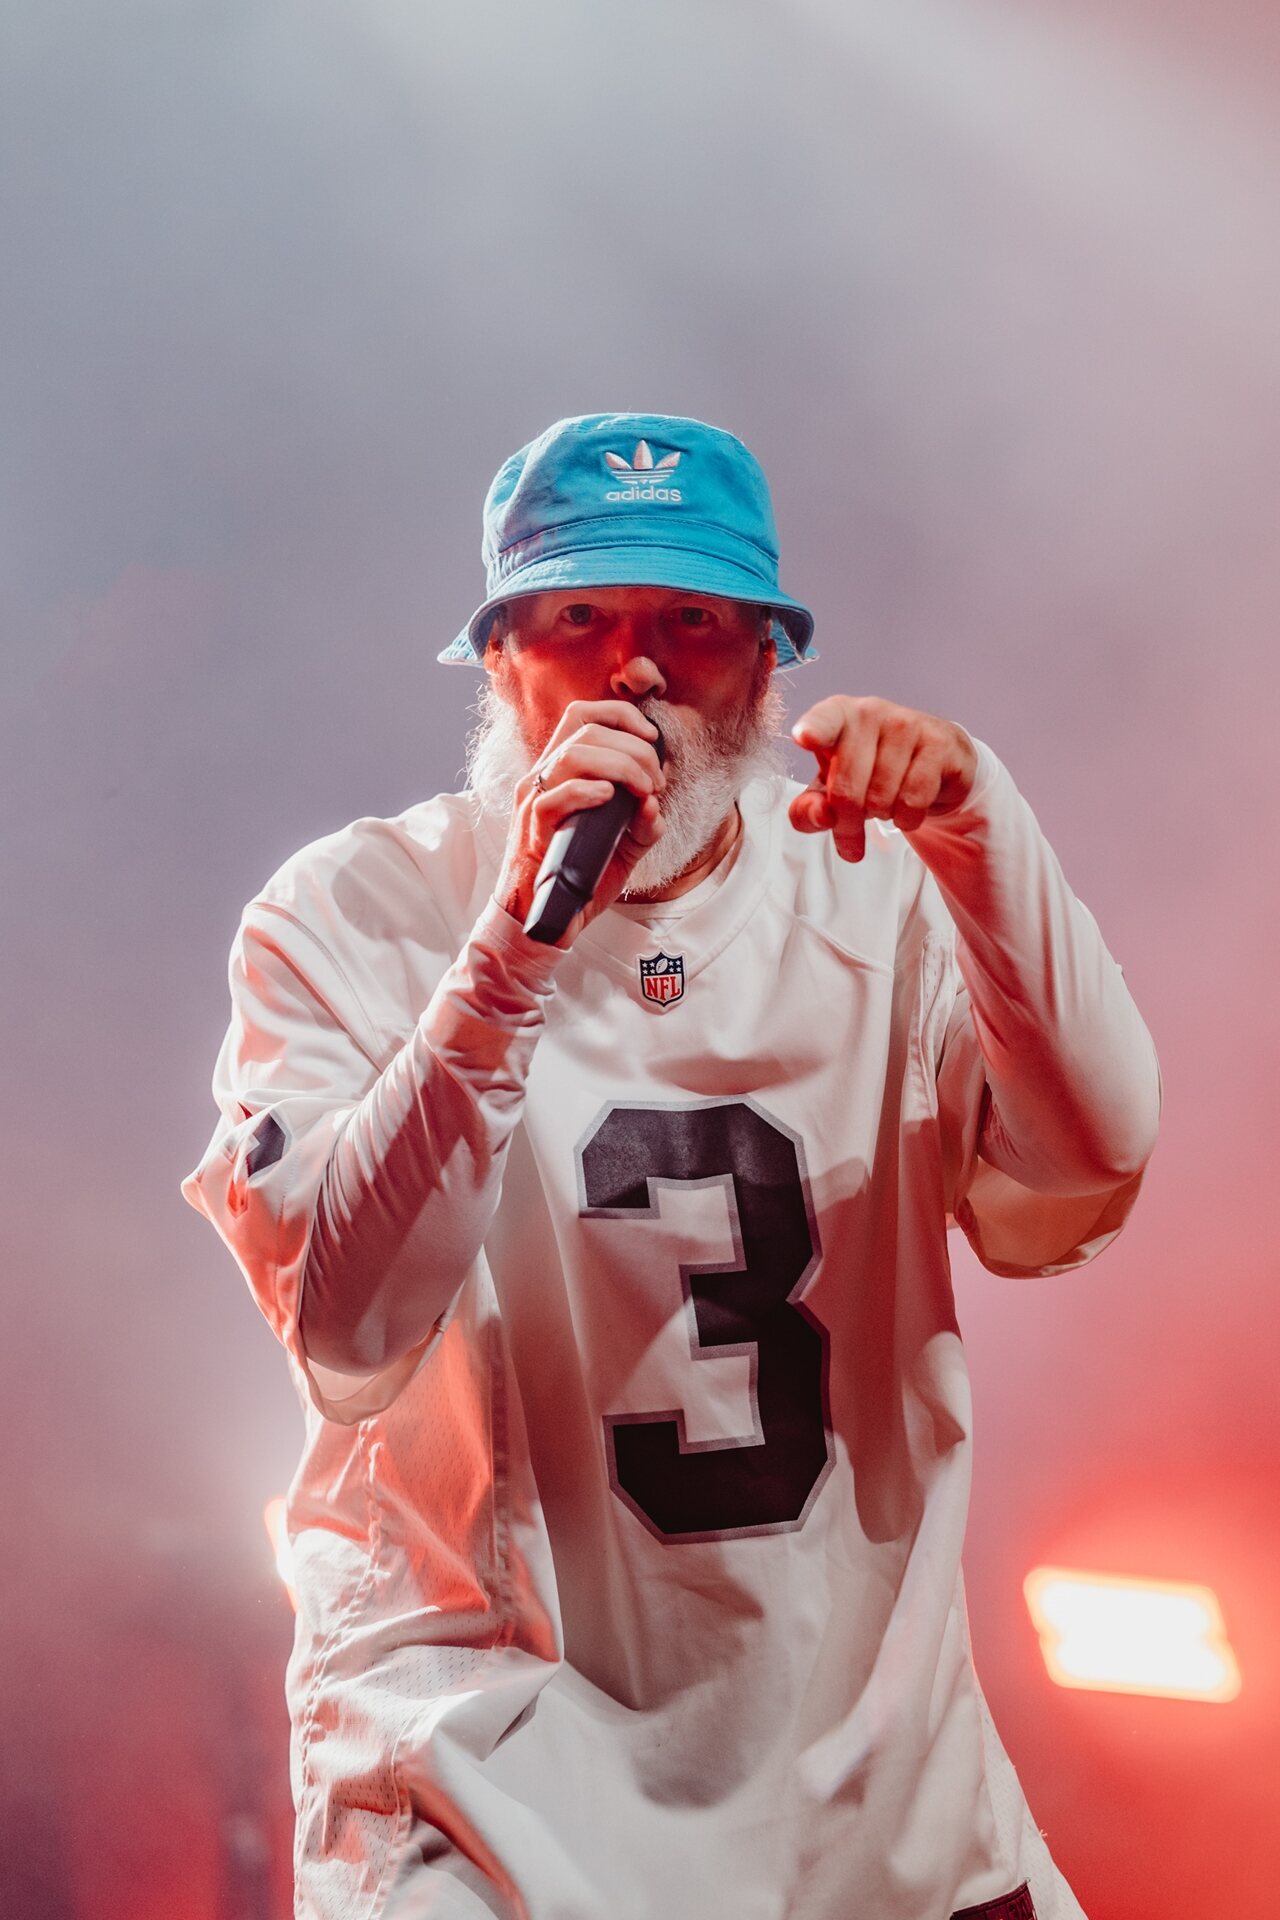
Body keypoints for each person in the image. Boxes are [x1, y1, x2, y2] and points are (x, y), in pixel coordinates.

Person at [183, 412, 1160, 1920]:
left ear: (768, 662)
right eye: (581, 616)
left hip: (874, 1809)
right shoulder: (348, 915)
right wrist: (514, 947)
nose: (635, 667)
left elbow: (1090, 1172)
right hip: (496, 1809)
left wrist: (986, 836)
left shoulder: (878, 886)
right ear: (500, 657)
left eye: (692, 620)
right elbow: (347, 1326)